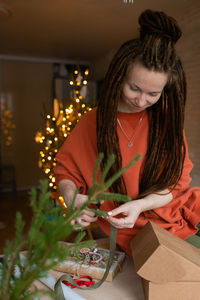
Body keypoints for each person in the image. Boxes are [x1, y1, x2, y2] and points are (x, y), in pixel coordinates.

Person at [54, 9, 200, 256]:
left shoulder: (166, 121)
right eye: (134, 88)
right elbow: (66, 172)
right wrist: (71, 198)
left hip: (180, 220)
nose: (141, 101)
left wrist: (141, 205)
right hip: (129, 235)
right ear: (119, 76)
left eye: (153, 94)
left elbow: (176, 185)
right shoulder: (92, 123)